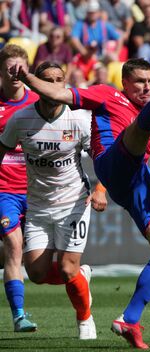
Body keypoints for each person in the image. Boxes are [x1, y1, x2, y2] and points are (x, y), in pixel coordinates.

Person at [11, 49, 150, 348]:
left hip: (136, 178)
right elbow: (57, 93)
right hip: (112, 162)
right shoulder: (106, 96)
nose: (145, 87)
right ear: (124, 82)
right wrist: (27, 78)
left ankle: (129, 320)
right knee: (138, 130)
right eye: (139, 81)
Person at [0, 61, 107, 340]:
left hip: (74, 202)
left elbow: (105, 160)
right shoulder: (20, 119)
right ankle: (82, 277)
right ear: (37, 83)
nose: (54, 85)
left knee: (67, 267)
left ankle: (85, 320)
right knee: (35, 272)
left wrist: (101, 190)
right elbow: (2, 148)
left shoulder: (80, 119)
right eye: (47, 79)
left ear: (64, 83)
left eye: (59, 79)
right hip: (37, 205)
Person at [0, 44, 39, 333]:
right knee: (14, 246)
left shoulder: (40, 102)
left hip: (38, 191)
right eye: (9, 68)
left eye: (20, 69)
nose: (15, 74)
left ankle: (80, 280)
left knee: (45, 264)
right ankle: (19, 315)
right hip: (4, 191)